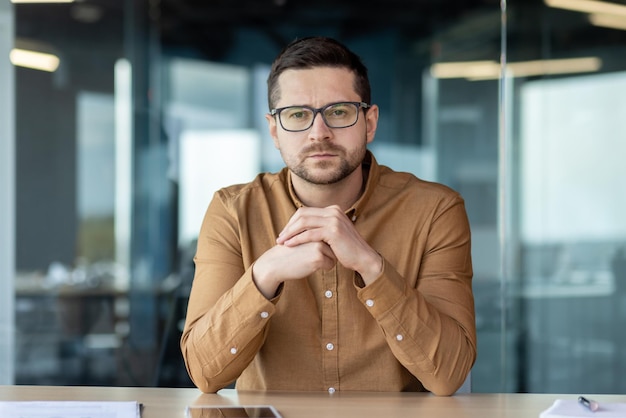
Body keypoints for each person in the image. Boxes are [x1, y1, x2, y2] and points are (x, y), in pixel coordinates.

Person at [180, 36, 476, 396]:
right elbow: (204, 373)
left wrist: (372, 267)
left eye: (338, 112)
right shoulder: (233, 210)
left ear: (369, 122)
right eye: (297, 115)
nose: (318, 133)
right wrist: (264, 274)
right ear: (274, 130)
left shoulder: (435, 210)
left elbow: (448, 375)